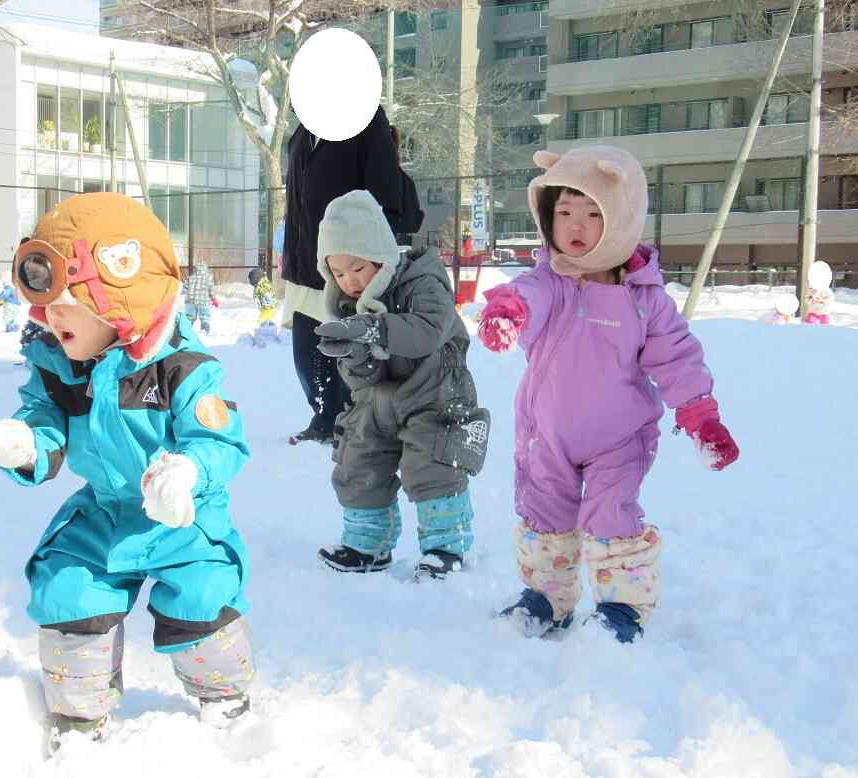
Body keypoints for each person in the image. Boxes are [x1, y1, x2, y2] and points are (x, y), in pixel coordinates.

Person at [0, 192, 255, 751]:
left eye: (65, 304)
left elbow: (218, 440)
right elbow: (44, 427)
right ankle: (80, 718)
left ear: (116, 302)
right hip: (105, 511)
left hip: (184, 515)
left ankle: (224, 697)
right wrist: (11, 443)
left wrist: (186, 474)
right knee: (70, 589)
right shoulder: (61, 368)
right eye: (44, 306)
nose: (47, 316)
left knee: (203, 596)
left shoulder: (183, 368)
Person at [478, 146, 740, 643]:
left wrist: (701, 416)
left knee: (611, 516)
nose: (576, 225)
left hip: (619, 439)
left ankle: (622, 607)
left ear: (622, 218)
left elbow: (677, 358)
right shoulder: (550, 282)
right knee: (545, 517)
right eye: (564, 212)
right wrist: (508, 309)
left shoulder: (644, 299)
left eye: (594, 213)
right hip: (548, 434)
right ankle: (546, 599)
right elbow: (527, 295)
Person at [313, 190, 489, 580]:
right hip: (378, 401)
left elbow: (426, 331)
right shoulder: (345, 304)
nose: (349, 281)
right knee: (358, 462)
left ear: (379, 254)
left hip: (434, 392)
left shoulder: (423, 281)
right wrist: (354, 355)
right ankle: (367, 545)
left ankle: (445, 547)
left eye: (357, 268)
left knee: (431, 463)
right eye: (337, 273)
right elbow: (361, 381)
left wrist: (372, 329)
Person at [282, 106, 405, 445]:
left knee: (352, 349)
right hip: (308, 259)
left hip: (351, 265)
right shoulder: (303, 130)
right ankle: (324, 417)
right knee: (308, 351)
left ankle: (351, 422)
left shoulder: (364, 118)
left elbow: (385, 191)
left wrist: (376, 255)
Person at [182, 261, 216, 334]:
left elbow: (184, 288)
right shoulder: (208, 278)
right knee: (204, 316)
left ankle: (187, 329)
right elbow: (211, 290)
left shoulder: (190, 277)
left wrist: (181, 294)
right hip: (203, 301)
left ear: (195, 269)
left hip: (190, 300)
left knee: (189, 316)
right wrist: (213, 299)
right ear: (205, 269)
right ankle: (205, 327)